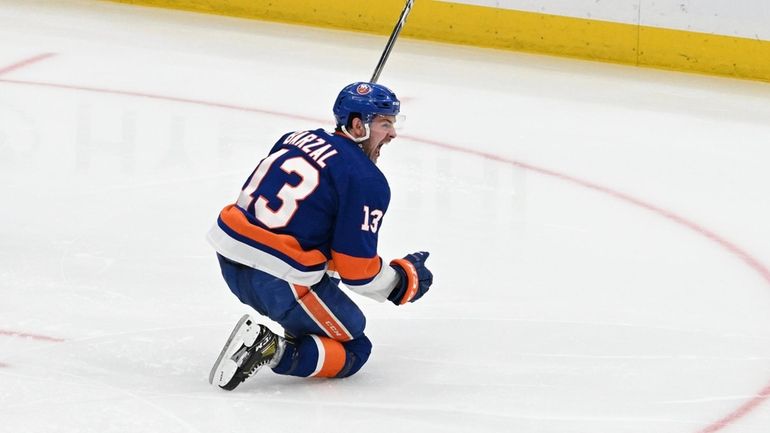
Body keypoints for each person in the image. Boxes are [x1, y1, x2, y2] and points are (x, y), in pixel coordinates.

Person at [207, 82, 434, 390]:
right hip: (278, 281)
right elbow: (357, 272)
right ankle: (272, 349)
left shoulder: (294, 138)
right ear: (358, 125)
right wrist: (400, 282)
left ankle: (300, 328)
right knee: (355, 348)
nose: (392, 134)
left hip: (230, 260)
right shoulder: (367, 180)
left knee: (323, 267)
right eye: (385, 123)